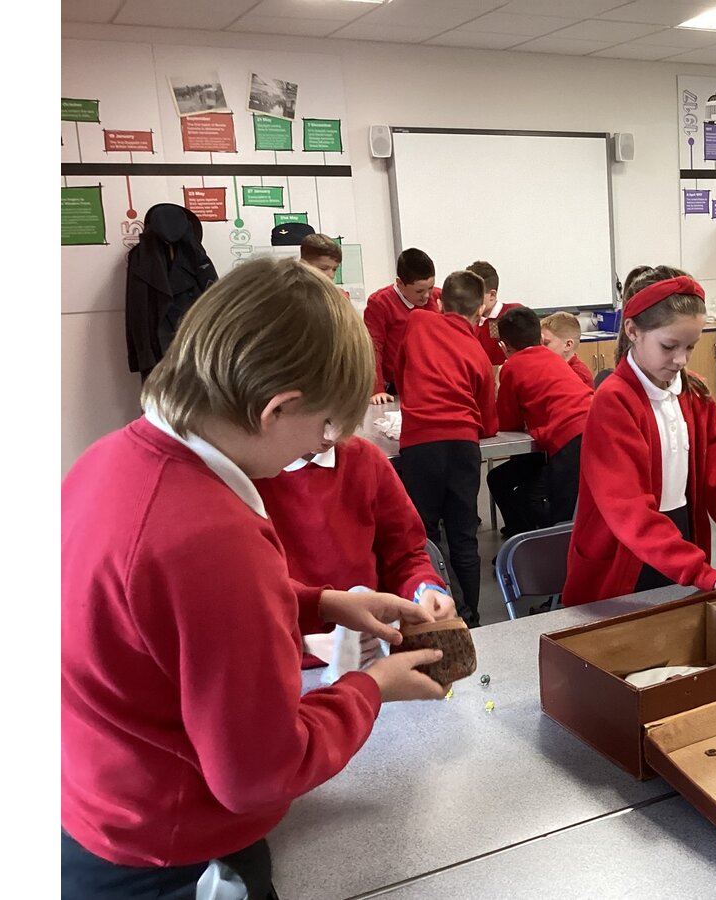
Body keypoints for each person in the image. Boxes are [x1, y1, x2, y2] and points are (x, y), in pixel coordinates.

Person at [61, 257, 455, 899]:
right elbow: (259, 773)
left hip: (99, 812)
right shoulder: (213, 535)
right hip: (173, 856)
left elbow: (167, 615)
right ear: (278, 408)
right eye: (323, 427)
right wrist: (370, 688)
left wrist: (322, 602)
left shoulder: (109, 458)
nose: (321, 445)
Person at [562, 265, 716, 606]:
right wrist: (699, 571)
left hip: (678, 544)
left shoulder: (695, 393)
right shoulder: (613, 401)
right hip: (624, 555)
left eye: (691, 347)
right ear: (633, 331)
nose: (680, 359)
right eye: (669, 346)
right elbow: (629, 510)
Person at [253, 425, 452, 668]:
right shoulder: (247, 475)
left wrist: (423, 589)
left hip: (373, 657)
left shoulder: (365, 459)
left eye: (345, 419)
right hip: (285, 665)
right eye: (323, 419)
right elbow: (245, 596)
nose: (331, 434)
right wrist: (302, 637)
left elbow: (405, 553)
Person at [394, 269, 498, 627]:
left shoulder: (418, 321)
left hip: (421, 443)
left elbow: (401, 372)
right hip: (464, 443)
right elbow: (489, 422)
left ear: (439, 302)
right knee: (464, 535)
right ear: (480, 311)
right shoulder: (478, 352)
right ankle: (472, 618)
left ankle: (438, 613)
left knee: (424, 534)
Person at [491, 306, 592, 536]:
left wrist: (499, 387)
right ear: (539, 338)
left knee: (562, 513)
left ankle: (545, 547)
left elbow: (508, 422)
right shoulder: (554, 359)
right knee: (567, 505)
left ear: (505, 346)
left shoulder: (512, 366)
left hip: (569, 437)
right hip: (592, 426)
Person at [363, 247, 441, 403]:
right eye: (419, 291)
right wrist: (377, 389)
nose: (426, 296)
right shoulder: (380, 303)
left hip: (432, 381)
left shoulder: (438, 296)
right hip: (397, 385)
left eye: (430, 288)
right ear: (399, 283)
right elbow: (373, 347)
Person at [466, 260, 524, 369]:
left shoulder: (515, 315)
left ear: (492, 295)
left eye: (475, 296)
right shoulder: (471, 322)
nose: (469, 301)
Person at [541, 311, 595, 387]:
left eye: (546, 343)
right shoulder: (550, 367)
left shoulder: (579, 376)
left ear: (568, 345)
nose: (540, 347)